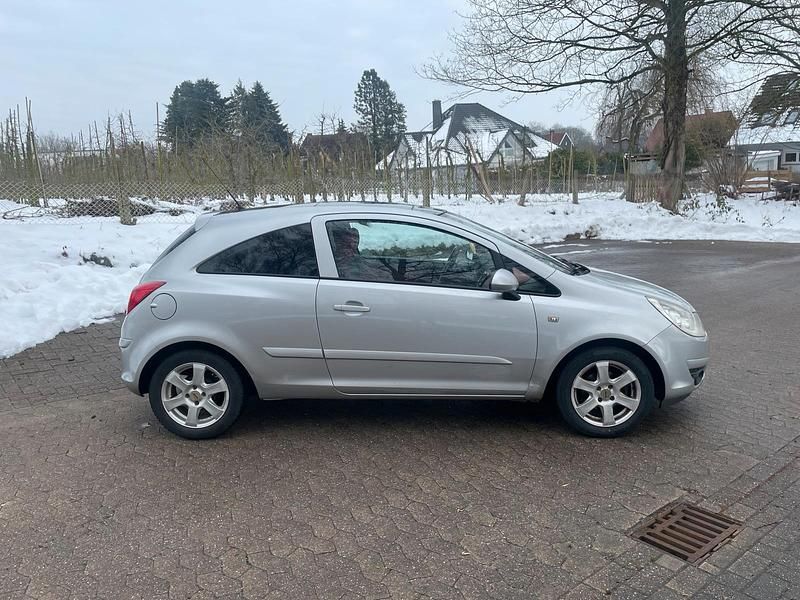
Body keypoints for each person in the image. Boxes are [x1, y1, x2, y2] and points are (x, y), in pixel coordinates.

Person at [329, 222, 394, 282]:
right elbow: (358, 272)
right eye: (345, 243)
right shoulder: (339, 263)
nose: (354, 243)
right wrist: (384, 274)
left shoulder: (354, 256)